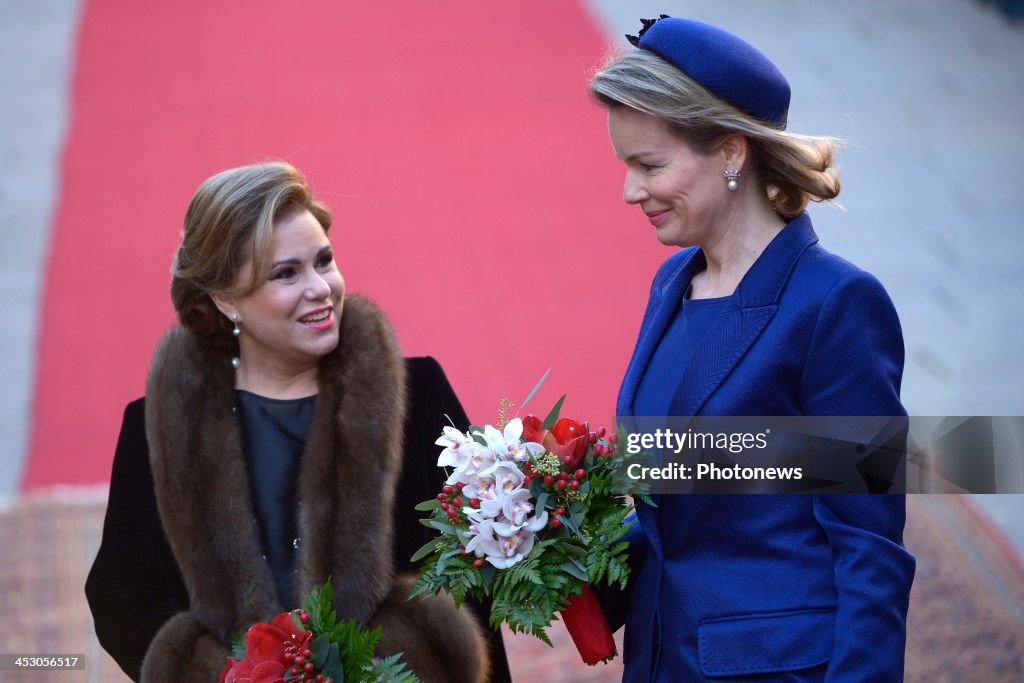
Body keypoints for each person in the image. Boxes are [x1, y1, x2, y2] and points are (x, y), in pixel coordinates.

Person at [85, 161, 510, 682]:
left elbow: (475, 566)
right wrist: (227, 675)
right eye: (286, 273)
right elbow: (121, 594)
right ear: (224, 300)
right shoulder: (157, 426)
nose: (321, 289)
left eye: (323, 261)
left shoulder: (418, 396)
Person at [589, 17, 916, 682]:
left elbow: (869, 548)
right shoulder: (673, 284)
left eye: (649, 165)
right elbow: (679, 507)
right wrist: (555, 553)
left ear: (732, 152)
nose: (630, 191)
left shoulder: (836, 305)